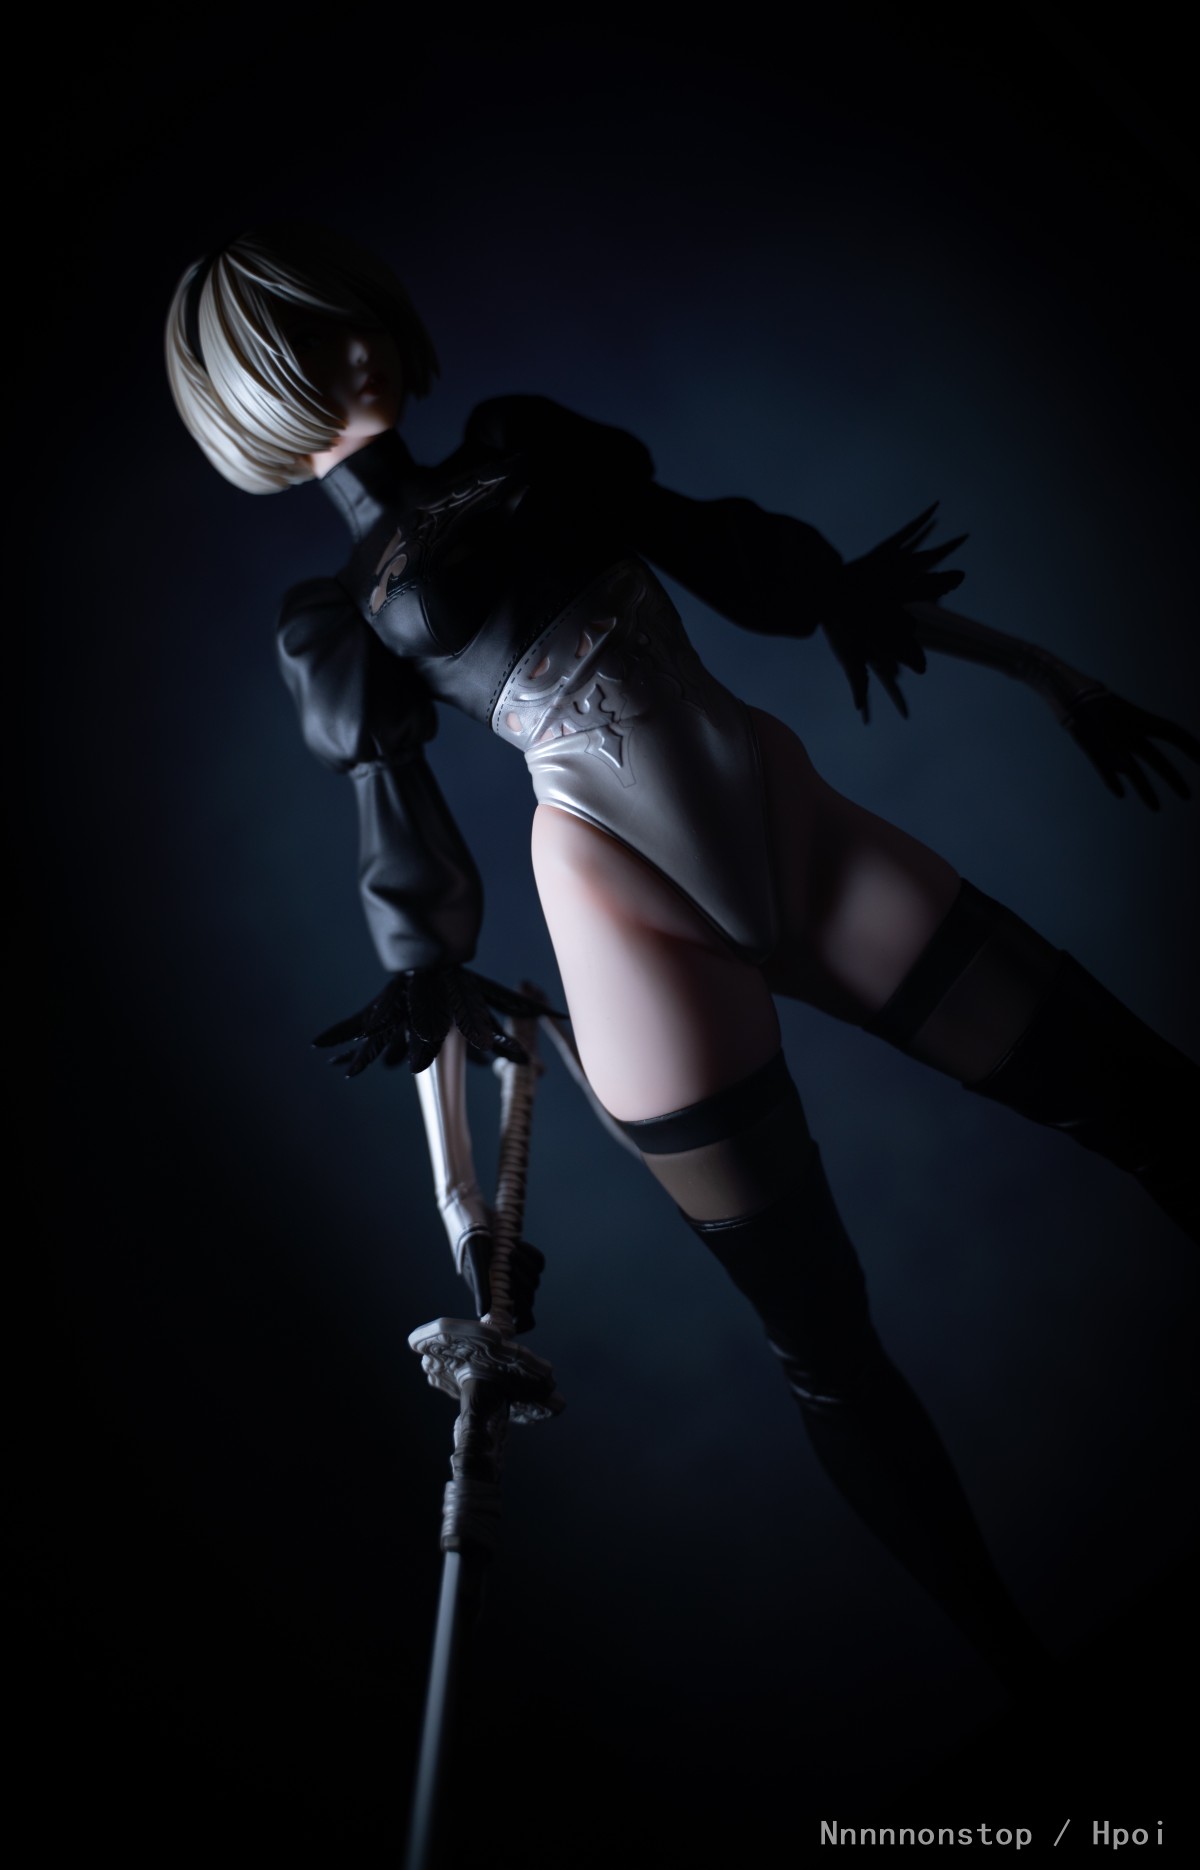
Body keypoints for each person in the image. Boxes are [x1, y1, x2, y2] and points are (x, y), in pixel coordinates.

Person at [165, 220, 1199, 1692]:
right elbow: (407, 867)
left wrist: (1047, 674)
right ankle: (1022, 1680)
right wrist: (470, 1232)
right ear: (251, 404)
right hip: (620, 903)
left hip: (784, 818)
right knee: (825, 1344)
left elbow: (738, 549)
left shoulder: (523, 438)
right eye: (299, 346)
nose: (349, 351)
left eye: (344, 318)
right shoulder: (332, 619)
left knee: (1145, 1098)